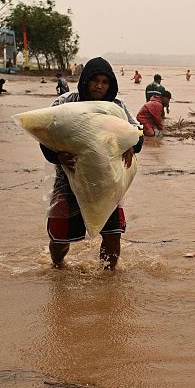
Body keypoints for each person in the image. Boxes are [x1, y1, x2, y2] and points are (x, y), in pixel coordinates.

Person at [39, 57, 143, 270]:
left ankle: (109, 281)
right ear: (84, 80)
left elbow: (138, 132)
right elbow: (44, 135)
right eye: (95, 80)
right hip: (67, 181)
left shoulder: (117, 106)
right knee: (60, 239)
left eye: (105, 82)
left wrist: (132, 143)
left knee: (112, 235)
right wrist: (57, 157)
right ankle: (58, 270)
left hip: (107, 182)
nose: (99, 86)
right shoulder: (65, 103)